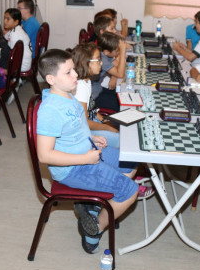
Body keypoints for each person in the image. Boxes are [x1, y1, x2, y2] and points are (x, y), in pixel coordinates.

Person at [36, 49, 138, 254]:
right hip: (73, 168)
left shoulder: (67, 95)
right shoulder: (50, 110)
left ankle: (95, 203)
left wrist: (91, 137)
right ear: (51, 79)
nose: (75, 74)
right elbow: (44, 155)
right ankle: (93, 230)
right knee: (130, 191)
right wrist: (84, 158)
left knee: (131, 162)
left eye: (73, 69)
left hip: (87, 152)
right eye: (68, 72)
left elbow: (73, 127)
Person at [72, 43, 120, 148]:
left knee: (120, 127)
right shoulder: (80, 87)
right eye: (98, 60)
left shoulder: (87, 80)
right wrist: (107, 128)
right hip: (82, 131)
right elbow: (84, 122)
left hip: (90, 121)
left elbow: (91, 109)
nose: (101, 63)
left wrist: (104, 120)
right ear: (85, 62)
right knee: (121, 140)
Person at [92, 32, 126, 112]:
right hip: (94, 96)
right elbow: (120, 74)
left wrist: (114, 75)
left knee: (120, 95)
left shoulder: (105, 55)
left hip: (99, 89)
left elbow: (119, 67)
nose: (118, 52)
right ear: (107, 51)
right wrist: (123, 51)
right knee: (119, 105)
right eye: (117, 51)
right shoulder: (102, 59)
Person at [3, 8, 32, 72]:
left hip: (21, 65)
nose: (5, 21)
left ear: (16, 22)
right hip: (23, 62)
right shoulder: (17, 29)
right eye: (4, 18)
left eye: (8, 19)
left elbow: (12, 54)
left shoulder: (15, 34)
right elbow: (7, 36)